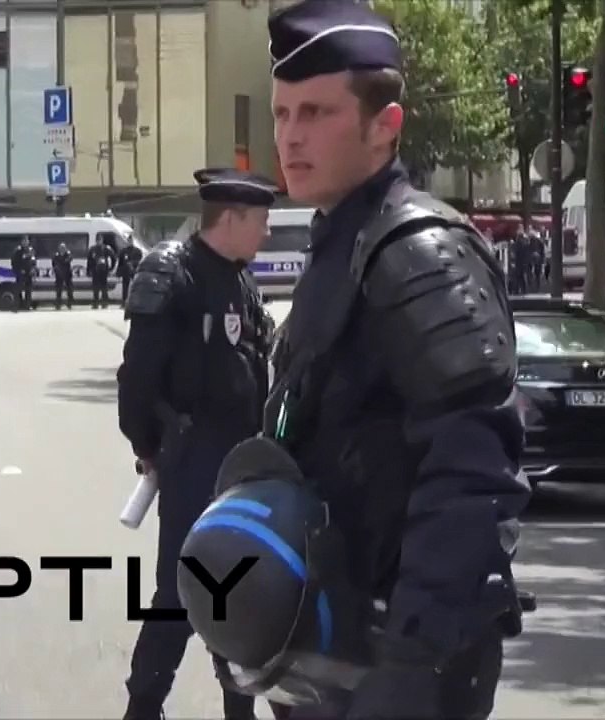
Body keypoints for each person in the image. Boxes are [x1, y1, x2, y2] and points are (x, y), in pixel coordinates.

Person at [194, 2, 530, 718]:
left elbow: (473, 473)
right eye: (282, 113)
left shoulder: (418, 254)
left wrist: (411, 663)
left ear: (385, 126)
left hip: (395, 661)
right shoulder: (342, 243)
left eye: (316, 113)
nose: (290, 135)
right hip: (331, 648)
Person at [116, 167, 280, 720]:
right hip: (192, 462)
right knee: (179, 594)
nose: (267, 233)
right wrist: (149, 445)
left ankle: (240, 712)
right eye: (260, 221)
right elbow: (137, 377)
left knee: (239, 594)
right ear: (230, 219)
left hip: (242, 466)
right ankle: (143, 707)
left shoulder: (241, 281)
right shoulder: (175, 274)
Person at [86, 236, 117, 308]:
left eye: (100, 240)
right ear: (96, 241)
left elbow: (113, 258)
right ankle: (95, 303)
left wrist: (111, 268)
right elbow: (89, 260)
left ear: (102, 240)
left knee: (104, 287)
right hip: (95, 270)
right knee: (95, 287)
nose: (99, 242)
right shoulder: (92, 249)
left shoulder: (106, 248)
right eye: (97, 240)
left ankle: (104, 302)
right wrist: (88, 270)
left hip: (103, 270)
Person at [12, 237, 36, 310]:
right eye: (24, 241)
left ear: (28, 242)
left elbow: (33, 260)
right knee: (18, 290)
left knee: (28, 290)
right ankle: (17, 306)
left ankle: (27, 306)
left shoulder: (31, 250)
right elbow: (14, 262)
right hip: (21, 273)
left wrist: (33, 268)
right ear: (21, 242)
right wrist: (19, 270)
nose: (25, 242)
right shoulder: (18, 250)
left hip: (29, 273)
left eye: (26, 241)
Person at [52, 242, 75, 309]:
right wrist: (58, 267)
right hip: (59, 274)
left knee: (70, 289)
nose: (62, 249)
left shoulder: (68, 254)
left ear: (65, 248)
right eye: (61, 248)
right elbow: (54, 263)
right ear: (59, 248)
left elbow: (69, 259)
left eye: (63, 248)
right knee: (58, 290)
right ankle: (58, 304)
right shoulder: (56, 255)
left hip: (67, 273)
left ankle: (69, 303)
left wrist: (62, 262)